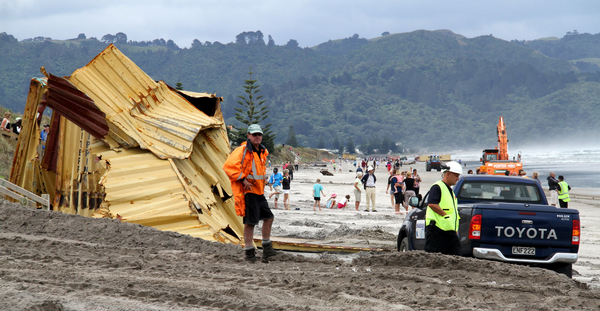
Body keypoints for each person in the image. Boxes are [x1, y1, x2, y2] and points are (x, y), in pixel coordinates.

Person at [222, 124, 278, 263]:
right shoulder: (242, 150)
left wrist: (266, 182)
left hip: (259, 191)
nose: (257, 137)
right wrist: (243, 178)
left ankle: (266, 247)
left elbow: (259, 172)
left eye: (259, 134)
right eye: (254, 134)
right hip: (248, 192)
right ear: (248, 135)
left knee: (269, 218)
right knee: (250, 223)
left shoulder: (262, 151)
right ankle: (249, 253)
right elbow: (228, 167)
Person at [424, 161, 462, 256]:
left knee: (456, 256)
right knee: (433, 257)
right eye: (456, 176)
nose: (458, 179)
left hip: (449, 230)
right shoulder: (437, 187)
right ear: (448, 174)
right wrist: (445, 216)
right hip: (437, 230)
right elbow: (432, 204)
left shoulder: (450, 190)